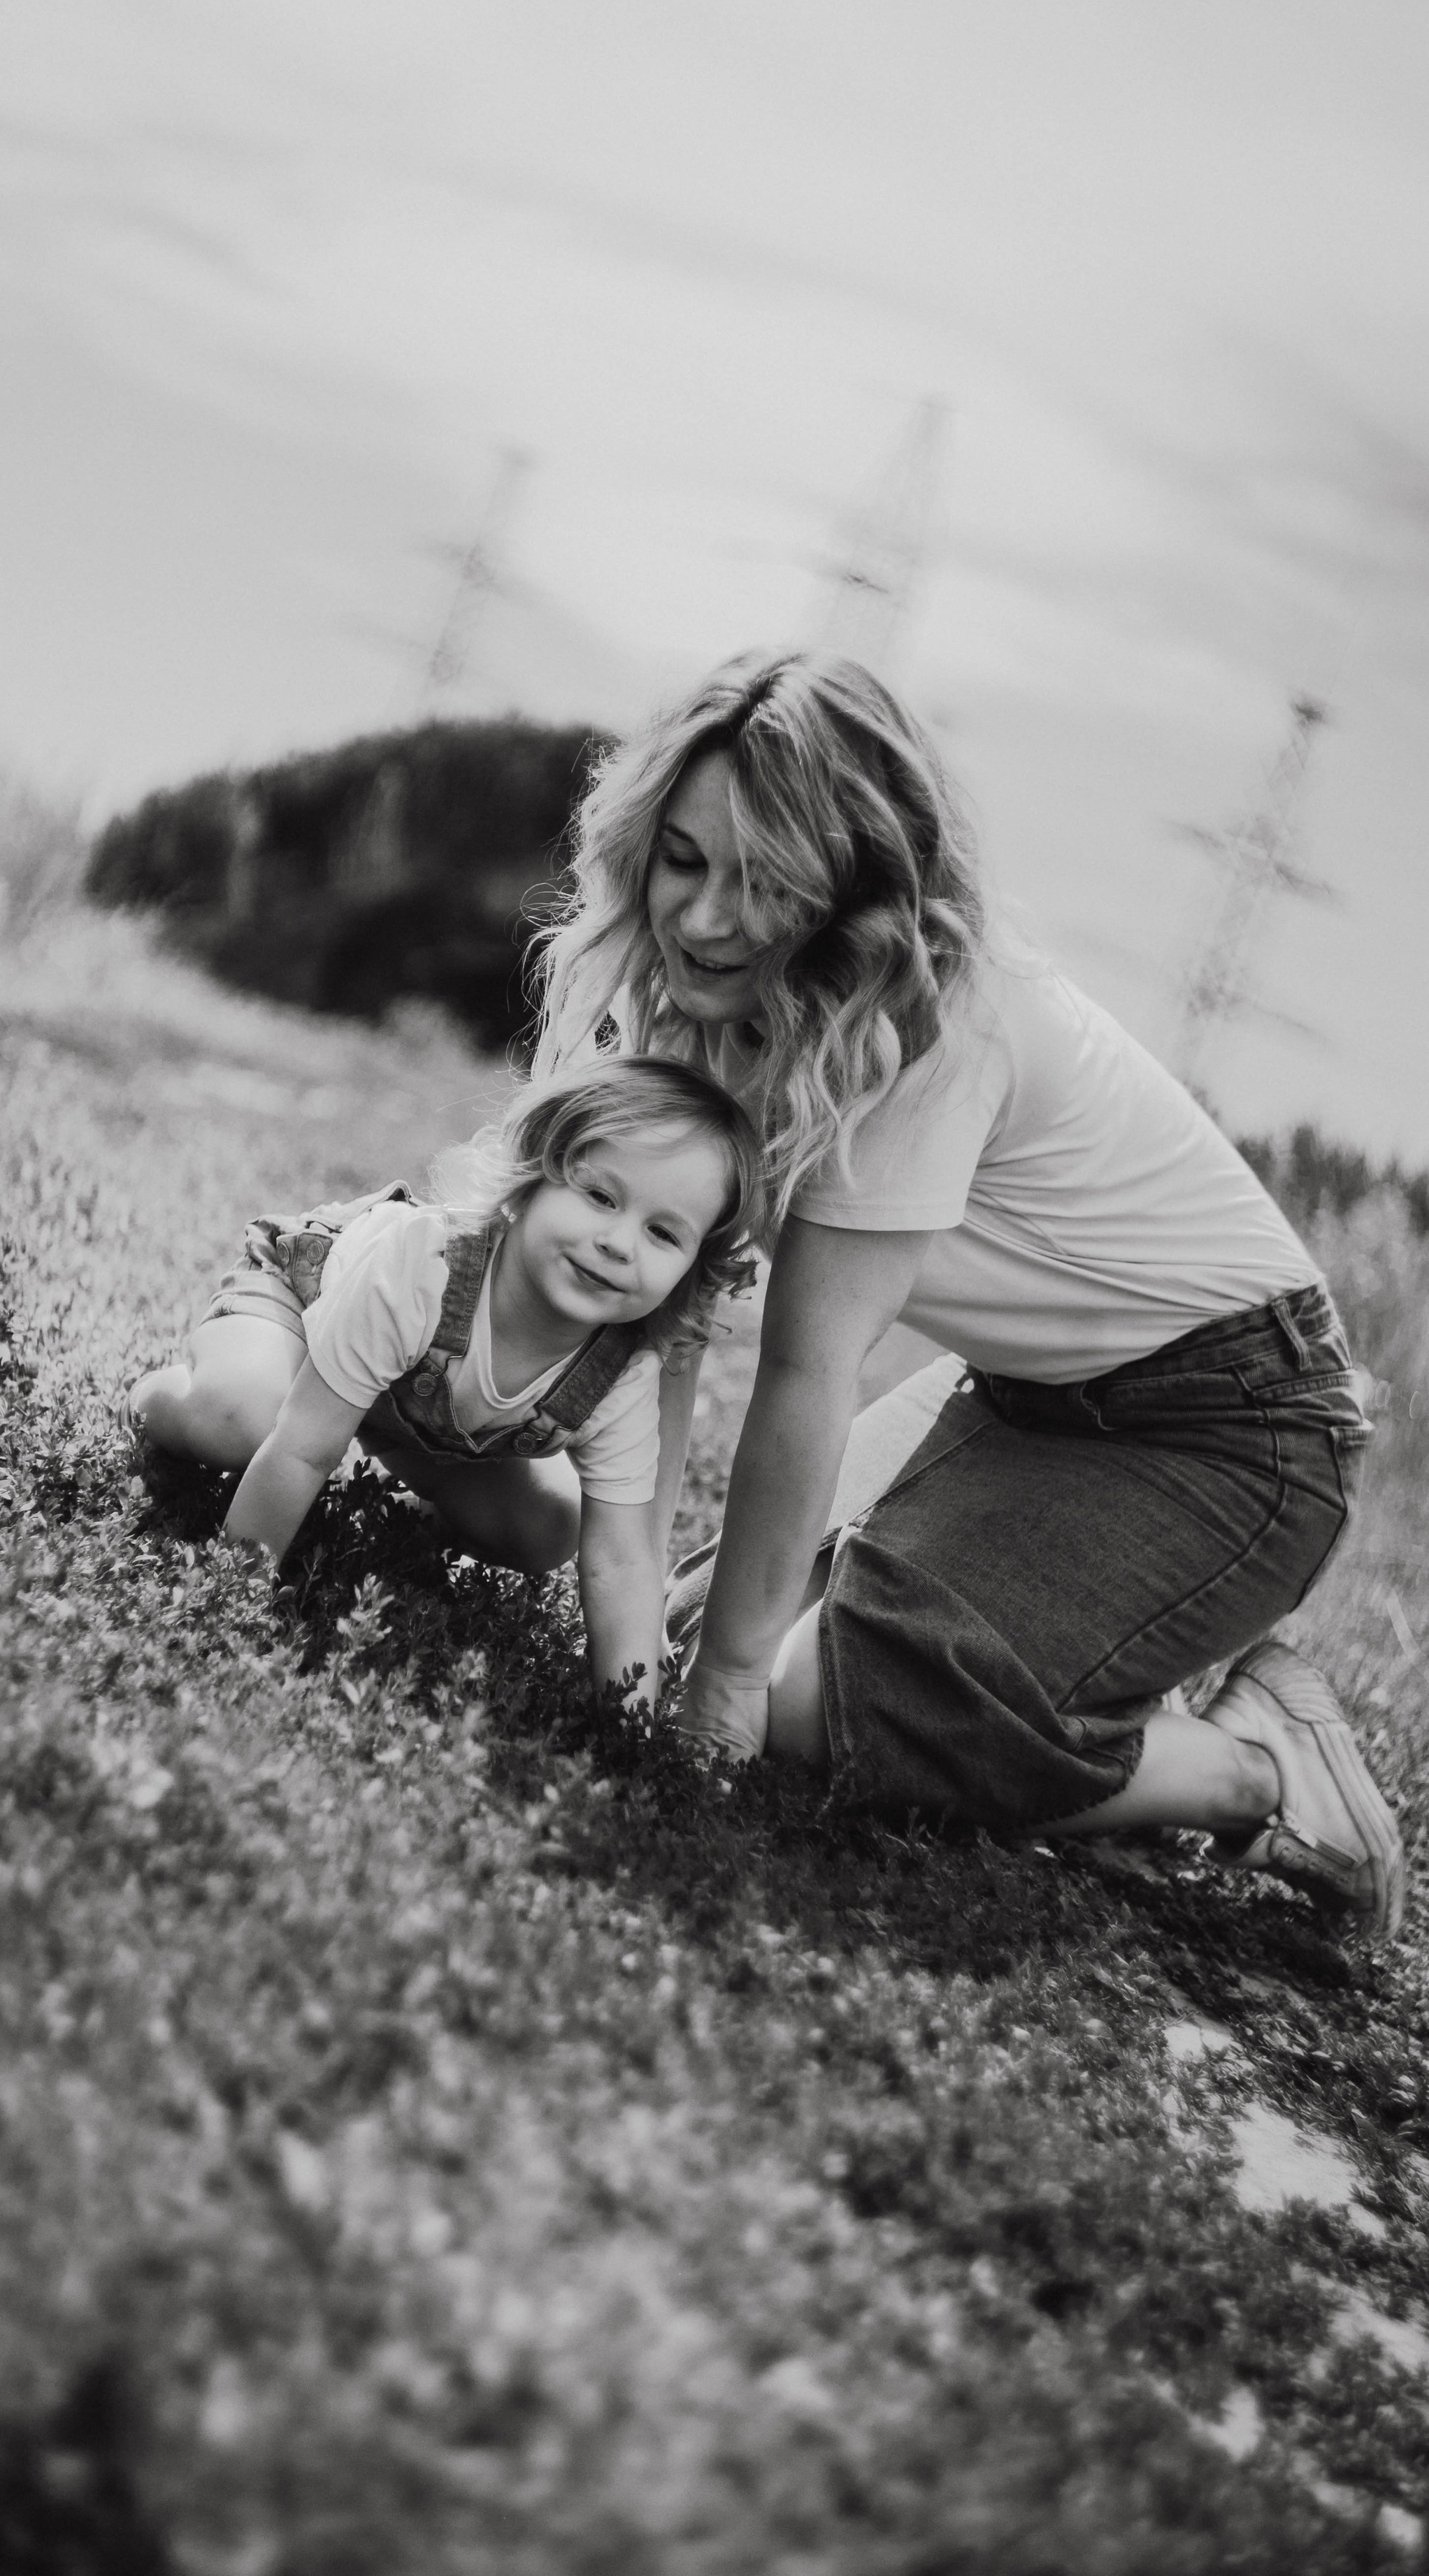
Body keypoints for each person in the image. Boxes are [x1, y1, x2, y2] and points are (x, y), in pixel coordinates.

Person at [533, 652, 1404, 1939]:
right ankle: (1029, 1688)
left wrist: (715, 1698)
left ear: (853, 887)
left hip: (1236, 1434)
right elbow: (671, 1326)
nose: (705, 920)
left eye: (766, 883)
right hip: (1030, 1397)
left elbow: (806, 1367)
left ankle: (1262, 1768)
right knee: (668, 1619)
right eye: (684, 861)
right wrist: (631, 1575)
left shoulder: (929, 1022)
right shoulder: (731, 1000)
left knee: (785, 1701)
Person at [127, 1058, 761, 1707]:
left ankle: (388, 1515)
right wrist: (229, 1607)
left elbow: (622, 1564)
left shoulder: (623, 1375)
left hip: (412, 1413)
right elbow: (301, 1446)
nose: (620, 1243)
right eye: (600, 1196)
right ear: (535, 1175)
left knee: (549, 1528)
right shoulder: (423, 1269)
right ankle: (160, 1398)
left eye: (662, 1233)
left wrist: (632, 1729)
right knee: (243, 1420)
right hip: (304, 1308)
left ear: (691, 1273)